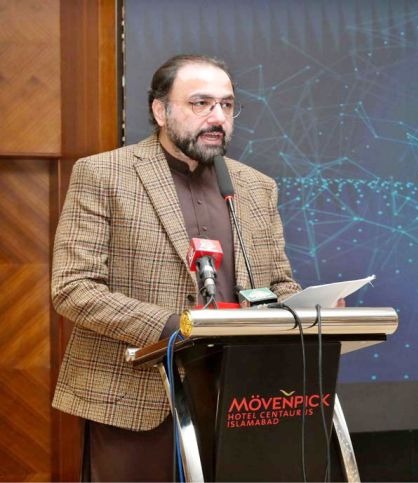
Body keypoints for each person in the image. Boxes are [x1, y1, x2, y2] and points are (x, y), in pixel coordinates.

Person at [51, 54, 302, 481]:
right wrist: (176, 328)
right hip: (135, 398)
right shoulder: (103, 175)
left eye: (226, 105)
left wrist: (309, 309)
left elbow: (278, 282)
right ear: (160, 111)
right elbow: (73, 288)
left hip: (240, 399)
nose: (217, 117)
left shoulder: (256, 187)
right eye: (200, 103)